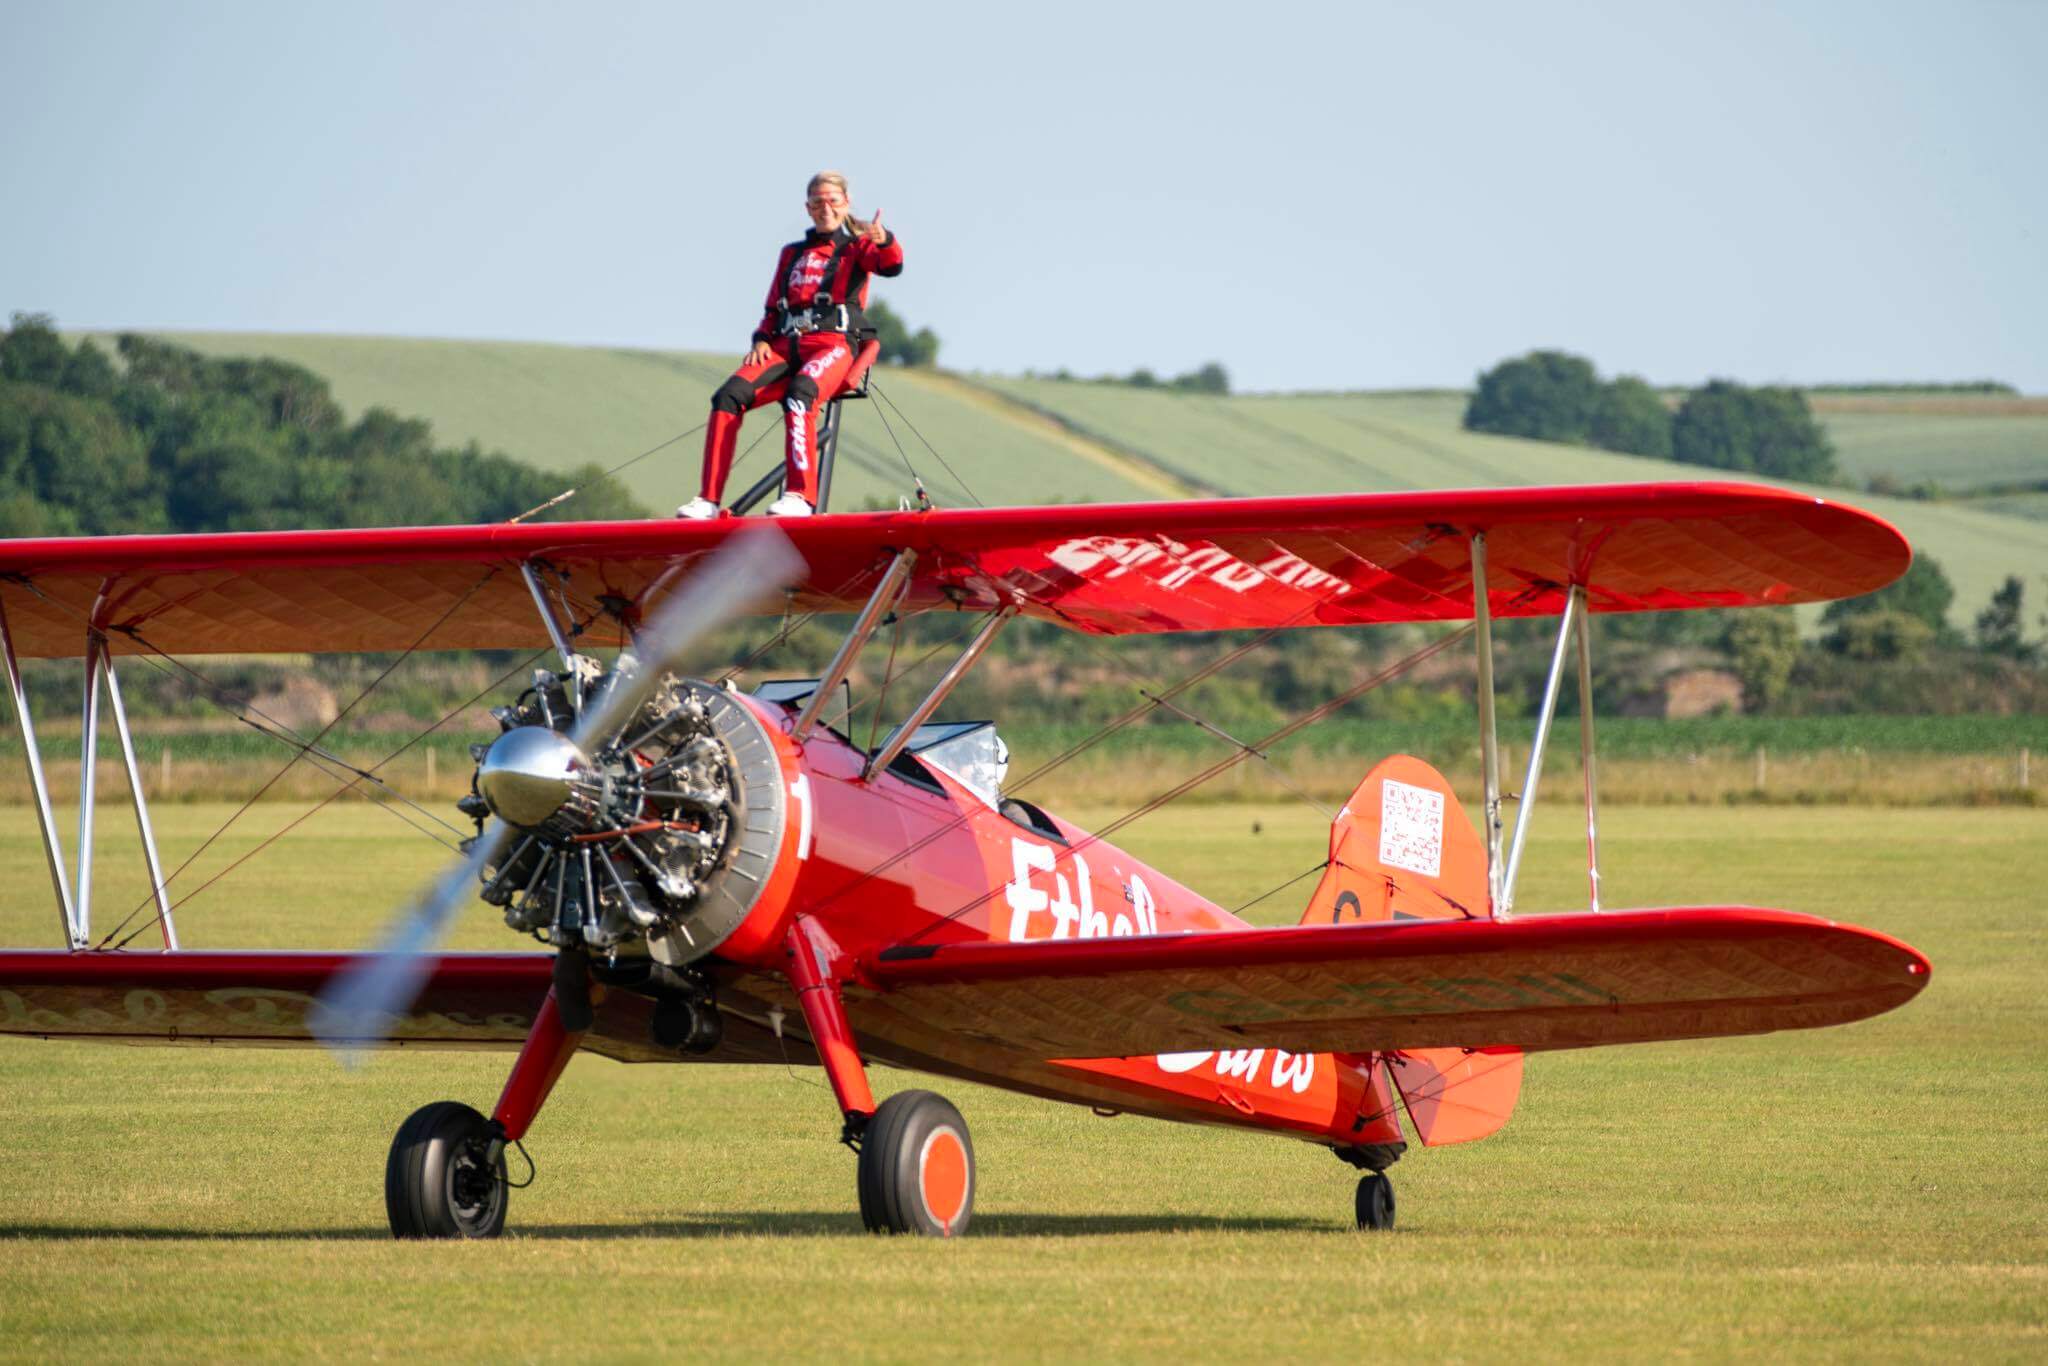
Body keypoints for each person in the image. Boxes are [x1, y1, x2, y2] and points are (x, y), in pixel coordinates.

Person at [679, 171, 903, 518]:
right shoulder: (791, 254)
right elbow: (773, 308)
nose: (825, 208)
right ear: (808, 208)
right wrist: (761, 339)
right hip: (786, 344)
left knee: (800, 395)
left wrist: (885, 238)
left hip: (834, 344)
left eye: (833, 201)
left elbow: (892, 265)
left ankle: (800, 496)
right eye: (817, 202)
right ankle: (708, 500)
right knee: (727, 397)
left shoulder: (859, 248)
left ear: (845, 205)